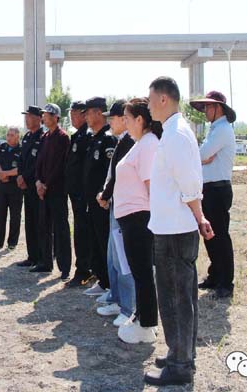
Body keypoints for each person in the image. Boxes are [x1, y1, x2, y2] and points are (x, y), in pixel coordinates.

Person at [145, 76, 213, 387]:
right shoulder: (172, 131)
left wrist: (200, 217)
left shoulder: (176, 135)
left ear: (163, 99)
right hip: (169, 226)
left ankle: (181, 364)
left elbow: (189, 185)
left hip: (175, 229)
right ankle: (179, 353)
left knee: (176, 298)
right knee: (177, 296)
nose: (147, 106)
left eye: (150, 100)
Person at [114, 98, 162, 344]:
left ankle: (147, 324)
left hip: (140, 218)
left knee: (143, 272)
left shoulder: (148, 145)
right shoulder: (140, 144)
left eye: (127, 118)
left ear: (140, 120)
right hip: (131, 218)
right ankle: (142, 315)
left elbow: (151, 185)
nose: (124, 122)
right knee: (139, 271)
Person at [190, 91, 237, 299]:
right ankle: (215, 275)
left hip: (218, 188)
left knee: (219, 235)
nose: (206, 110)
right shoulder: (215, 130)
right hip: (209, 188)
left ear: (219, 108)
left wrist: (202, 157)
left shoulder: (222, 130)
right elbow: (202, 156)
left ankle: (225, 281)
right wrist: (203, 157)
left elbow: (200, 154)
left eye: (209, 107)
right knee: (210, 235)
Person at [94, 99, 136, 328]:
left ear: (124, 119)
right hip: (116, 205)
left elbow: (121, 178)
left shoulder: (131, 142)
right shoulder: (122, 141)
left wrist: (106, 194)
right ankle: (117, 299)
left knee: (123, 260)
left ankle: (129, 307)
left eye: (114, 117)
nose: (109, 121)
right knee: (114, 258)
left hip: (125, 206)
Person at [82, 97, 118, 298]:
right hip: (92, 202)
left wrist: (106, 196)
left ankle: (110, 284)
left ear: (98, 113)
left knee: (105, 242)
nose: (86, 117)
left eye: (88, 113)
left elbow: (109, 174)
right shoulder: (94, 138)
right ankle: (102, 280)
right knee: (96, 241)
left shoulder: (108, 140)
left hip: (103, 203)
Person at [34, 103, 71, 277]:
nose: (44, 117)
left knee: (61, 229)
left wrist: (47, 183)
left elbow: (60, 165)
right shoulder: (45, 137)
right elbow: (39, 162)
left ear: (56, 117)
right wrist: (38, 182)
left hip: (56, 190)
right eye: (44, 114)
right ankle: (45, 262)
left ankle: (64, 268)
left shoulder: (63, 138)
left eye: (47, 114)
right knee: (44, 227)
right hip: (43, 190)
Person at [64, 100, 93, 287]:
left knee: (83, 233)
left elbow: (86, 168)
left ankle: (84, 270)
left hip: (84, 195)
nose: (72, 117)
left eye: (74, 114)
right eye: (71, 114)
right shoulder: (77, 136)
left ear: (83, 115)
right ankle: (86, 268)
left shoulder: (87, 136)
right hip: (75, 194)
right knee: (81, 232)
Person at [16, 105, 44, 268]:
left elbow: (38, 163)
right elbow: (21, 160)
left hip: (36, 184)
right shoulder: (26, 137)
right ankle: (31, 255)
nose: (27, 119)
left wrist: (25, 176)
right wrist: (20, 175)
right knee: (30, 221)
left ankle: (42, 256)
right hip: (25, 185)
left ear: (38, 119)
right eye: (26, 116)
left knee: (40, 221)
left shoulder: (42, 137)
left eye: (30, 117)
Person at [0, 126, 23, 250]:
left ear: (17, 137)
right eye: (8, 135)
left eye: (12, 135)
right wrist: (0, 172)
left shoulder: (22, 150)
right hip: (2, 187)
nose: (9, 137)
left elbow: (21, 169)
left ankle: (12, 242)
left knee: (15, 216)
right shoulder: (3, 147)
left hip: (15, 188)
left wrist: (6, 174)